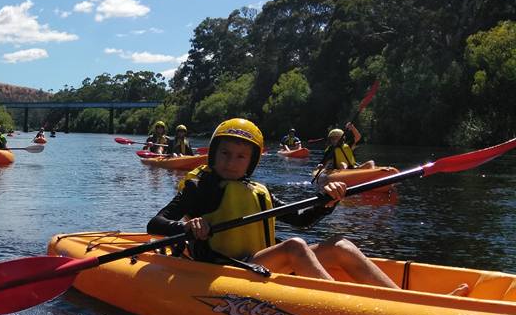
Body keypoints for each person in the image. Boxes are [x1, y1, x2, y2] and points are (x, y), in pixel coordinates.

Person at [147, 118, 400, 287]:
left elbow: (301, 220)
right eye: (225, 153)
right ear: (214, 154)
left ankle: (398, 301)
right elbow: (155, 224)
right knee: (294, 247)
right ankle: (344, 307)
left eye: (240, 156)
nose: (231, 161)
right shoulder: (199, 187)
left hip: (256, 261)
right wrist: (187, 228)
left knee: (340, 245)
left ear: (251, 161)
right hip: (224, 268)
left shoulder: (258, 191)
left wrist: (328, 202)